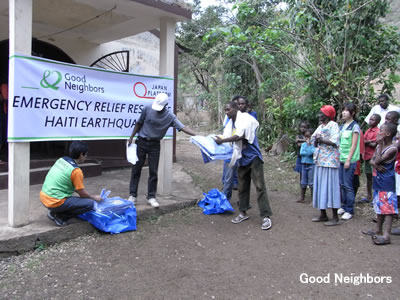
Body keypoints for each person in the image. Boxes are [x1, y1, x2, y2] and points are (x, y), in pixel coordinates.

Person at [128, 93, 196, 208]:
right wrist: (131, 137)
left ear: (165, 105)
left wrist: (197, 135)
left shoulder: (170, 116)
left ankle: (151, 197)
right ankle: (133, 196)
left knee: (153, 171)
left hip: (155, 145)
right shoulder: (147, 108)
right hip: (141, 142)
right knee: (136, 169)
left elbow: (183, 127)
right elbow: (139, 123)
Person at [215, 101, 273, 230]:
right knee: (242, 187)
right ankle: (243, 212)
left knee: (259, 187)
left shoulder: (245, 119)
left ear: (235, 109)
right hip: (241, 158)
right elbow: (227, 136)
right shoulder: (231, 123)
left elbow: (239, 136)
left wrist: (222, 140)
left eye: (228, 109)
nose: (226, 112)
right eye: (225, 110)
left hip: (253, 157)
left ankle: (266, 216)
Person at [40, 141, 102, 227]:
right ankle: (59, 216)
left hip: (43, 197)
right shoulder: (76, 171)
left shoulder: (61, 160)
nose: (86, 157)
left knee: (75, 199)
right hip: (54, 202)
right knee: (89, 203)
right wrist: (95, 198)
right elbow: (82, 194)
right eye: (86, 155)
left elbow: (75, 187)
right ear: (81, 154)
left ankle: (55, 211)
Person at [362, 123, 398, 245]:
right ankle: (378, 229)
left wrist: (380, 146)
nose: (378, 133)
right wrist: (376, 164)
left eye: (381, 131)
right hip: (378, 181)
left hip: (387, 182)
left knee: (388, 209)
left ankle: (386, 236)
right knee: (379, 207)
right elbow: (372, 161)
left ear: (387, 134)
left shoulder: (392, 148)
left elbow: (377, 160)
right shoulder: (379, 147)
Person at [311, 105, 341, 226]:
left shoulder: (333, 125)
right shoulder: (320, 126)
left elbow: (335, 142)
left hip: (330, 162)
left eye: (321, 113)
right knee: (320, 186)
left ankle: (335, 217)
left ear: (328, 115)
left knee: (331, 187)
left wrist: (321, 139)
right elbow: (313, 140)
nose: (319, 115)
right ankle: (323, 214)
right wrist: (317, 139)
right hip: (320, 160)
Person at [337, 103, 361, 221]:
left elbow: (354, 144)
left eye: (347, 111)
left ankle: (350, 209)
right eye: (343, 110)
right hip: (340, 159)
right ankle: (343, 205)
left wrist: (348, 160)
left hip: (349, 160)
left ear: (353, 113)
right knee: (341, 185)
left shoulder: (354, 127)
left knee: (348, 185)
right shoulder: (342, 126)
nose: (344, 112)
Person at [362, 114, 381, 203]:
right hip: (366, 156)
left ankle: (376, 197)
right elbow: (362, 141)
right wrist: (369, 141)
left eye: (373, 120)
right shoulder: (368, 131)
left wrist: (367, 142)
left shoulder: (378, 131)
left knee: (374, 177)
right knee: (368, 176)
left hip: (373, 158)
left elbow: (375, 144)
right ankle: (369, 196)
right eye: (370, 119)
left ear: (378, 122)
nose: (370, 121)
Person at [297, 129, 315, 203]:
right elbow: (301, 152)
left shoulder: (314, 145)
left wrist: (308, 149)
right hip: (304, 164)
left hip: (311, 165)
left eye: (309, 137)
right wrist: (308, 150)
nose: (307, 139)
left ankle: (313, 199)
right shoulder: (303, 145)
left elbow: (312, 152)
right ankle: (302, 197)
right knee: (303, 181)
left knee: (311, 182)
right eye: (306, 137)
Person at [294, 121, 309, 201]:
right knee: (301, 177)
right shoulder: (299, 136)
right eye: (301, 127)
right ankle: (302, 195)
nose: (303, 129)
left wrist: (302, 141)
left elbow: (300, 143)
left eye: (304, 127)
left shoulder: (309, 136)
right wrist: (306, 141)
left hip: (308, 159)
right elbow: (297, 141)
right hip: (300, 158)